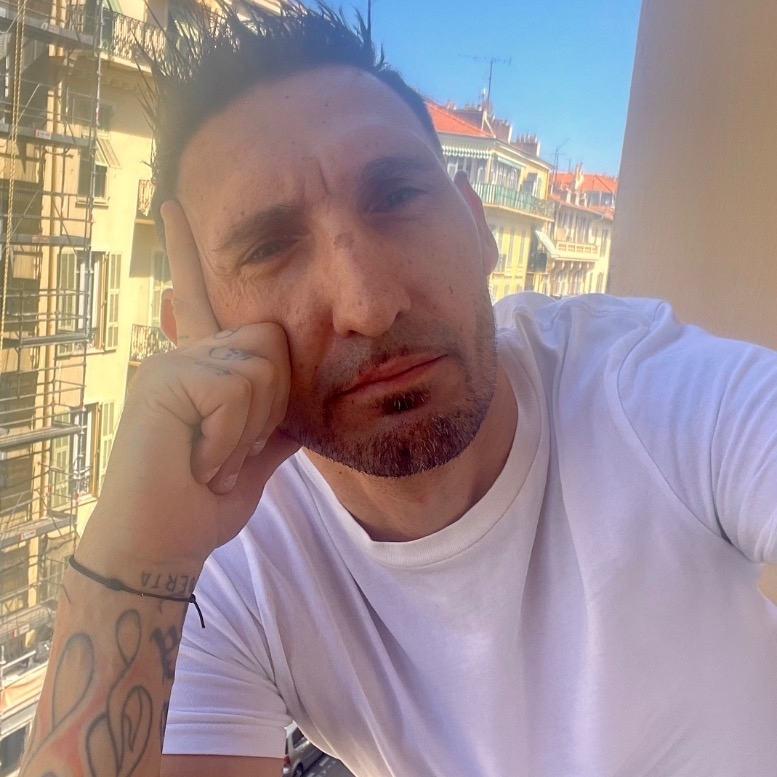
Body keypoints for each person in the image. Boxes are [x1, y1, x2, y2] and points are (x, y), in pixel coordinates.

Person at [19, 3, 777, 776]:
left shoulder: (641, 391)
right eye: (270, 246)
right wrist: (132, 552)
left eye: (397, 195)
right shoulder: (223, 554)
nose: (369, 305)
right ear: (196, 329)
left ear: (478, 227)